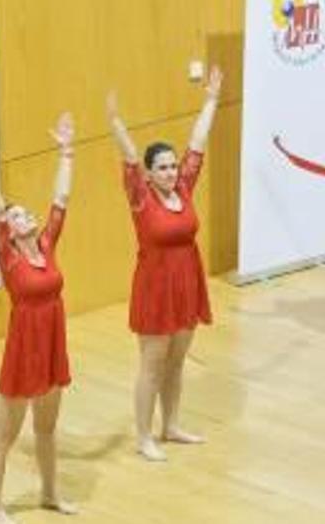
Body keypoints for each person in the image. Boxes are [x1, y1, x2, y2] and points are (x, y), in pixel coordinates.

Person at [106, 67, 222, 462]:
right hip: (156, 287)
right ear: (150, 174)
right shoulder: (142, 198)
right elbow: (129, 157)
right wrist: (116, 123)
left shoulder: (185, 188)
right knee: (152, 365)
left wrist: (210, 101)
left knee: (177, 362)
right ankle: (143, 436)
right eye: (164, 168)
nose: (172, 172)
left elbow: (197, 143)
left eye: (174, 167)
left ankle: (170, 425)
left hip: (187, 280)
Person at [0, 113, 79, 524]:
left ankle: (50, 494)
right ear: (8, 230)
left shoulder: (48, 245)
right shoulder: (8, 254)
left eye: (24, 213)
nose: (24, 216)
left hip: (52, 343)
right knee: (5, 435)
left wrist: (67, 151)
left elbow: (62, 199)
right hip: (24, 349)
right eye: (16, 216)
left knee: (47, 428)